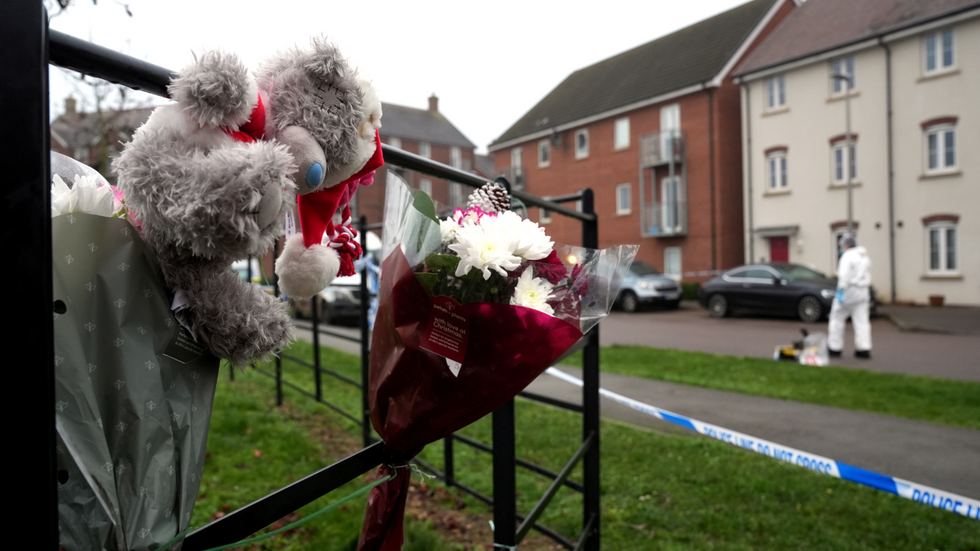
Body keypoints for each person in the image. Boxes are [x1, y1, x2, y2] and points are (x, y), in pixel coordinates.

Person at [828, 235, 872, 358]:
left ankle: (834, 348)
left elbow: (844, 275)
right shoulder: (864, 256)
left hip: (849, 291)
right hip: (863, 292)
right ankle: (863, 349)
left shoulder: (847, 257)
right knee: (862, 321)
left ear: (845, 245)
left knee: (837, 318)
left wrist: (841, 291)